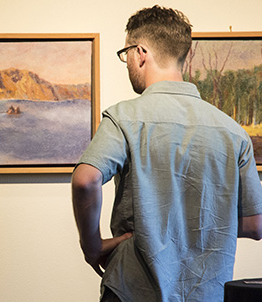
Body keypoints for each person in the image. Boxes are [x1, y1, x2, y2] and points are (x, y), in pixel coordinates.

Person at [72, 5, 262, 302]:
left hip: (132, 289)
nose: (127, 63)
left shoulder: (124, 117)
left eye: (126, 55)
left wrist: (91, 246)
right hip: (207, 293)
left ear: (140, 52)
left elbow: (85, 180)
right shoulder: (233, 131)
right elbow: (254, 224)